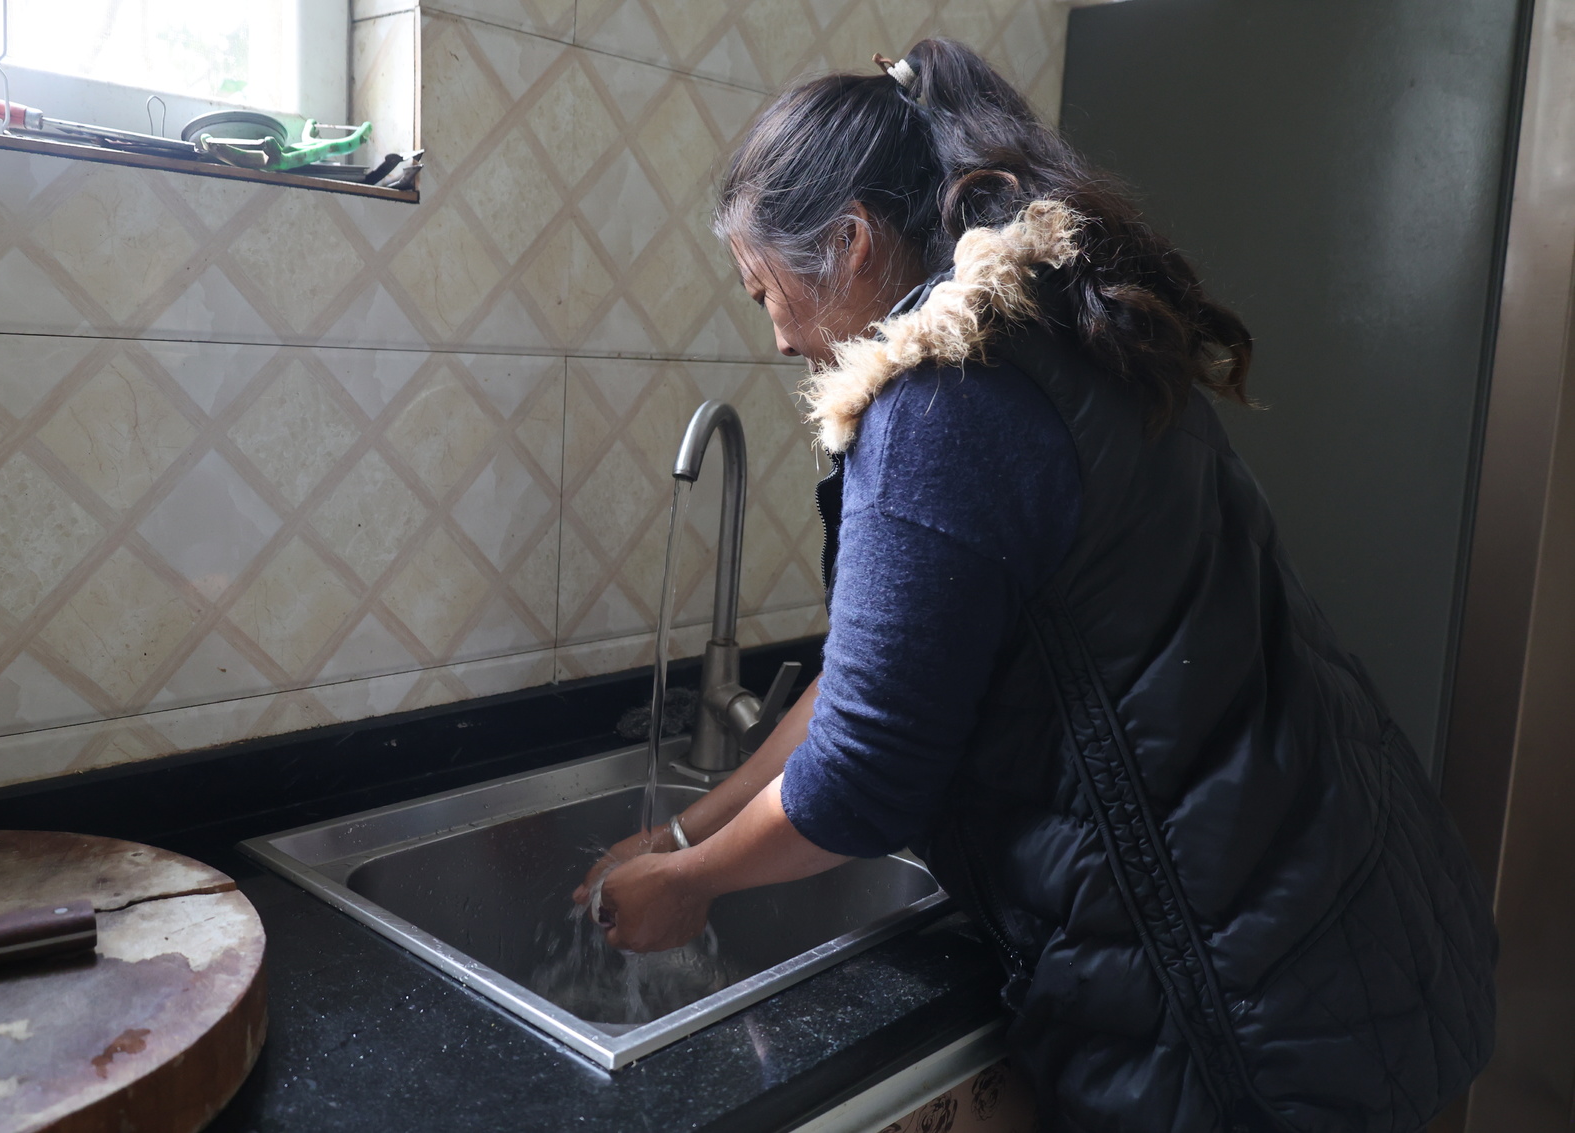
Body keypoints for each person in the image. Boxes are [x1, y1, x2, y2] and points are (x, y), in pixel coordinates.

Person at [572, 38, 1496, 1133]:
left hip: (1228, 1004)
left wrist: (692, 884)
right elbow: (862, 691)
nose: (775, 336)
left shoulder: (937, 404)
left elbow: (863, 775)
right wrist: (685, 835)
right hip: (1344, 916)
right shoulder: (1062, 329)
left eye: (764, 289)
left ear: (852, 242)